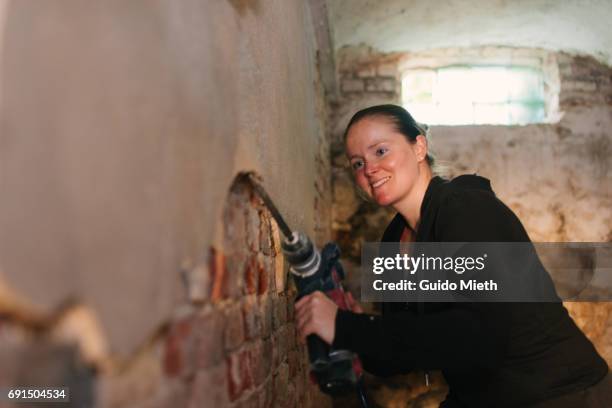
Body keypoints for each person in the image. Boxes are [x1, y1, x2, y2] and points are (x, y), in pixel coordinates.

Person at [294, 105, 610, 407]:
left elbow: (479, 338)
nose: (370, 168)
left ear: (419, 147)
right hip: (482, 398)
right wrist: (351, 330)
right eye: (357, 163)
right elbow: (397, 356)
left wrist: (348, 327)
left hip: (558, 394)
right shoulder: (394, 239)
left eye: (380, 151)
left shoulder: (466, 210)